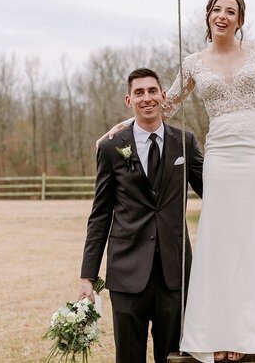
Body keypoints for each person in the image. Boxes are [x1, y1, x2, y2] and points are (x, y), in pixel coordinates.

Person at [99, 0, 255, 362]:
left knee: (254, 236)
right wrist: (127, 123)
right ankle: (220, 333)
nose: (222, 16)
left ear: (240, 21)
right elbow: (167, 103)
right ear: (208, 16)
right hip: (221, 151)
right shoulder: (193, 62)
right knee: (219, 237)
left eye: (231, 11)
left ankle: (252, 335)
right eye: (216, 9)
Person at [78, 68, 204, 363]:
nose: (146, 98)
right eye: (139, 93)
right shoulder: (111, 148)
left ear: (163, 96)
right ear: (128, 100)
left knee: (173, 359)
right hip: (126, 275)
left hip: (173, 275)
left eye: (152, 91)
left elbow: (215, 188)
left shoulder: (184, 142)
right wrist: (87, 275)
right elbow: (100, 215)